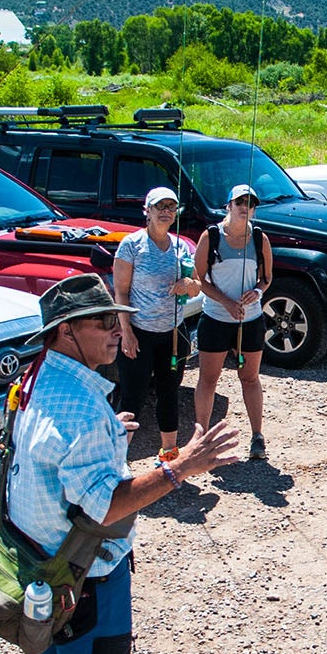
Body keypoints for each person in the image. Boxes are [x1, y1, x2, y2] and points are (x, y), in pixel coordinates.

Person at [0, 275, 238, 654]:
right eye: (102, 322)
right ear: (66, 332)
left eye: (114, 319)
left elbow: (58, 463)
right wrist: (183, 468)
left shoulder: (35, 380)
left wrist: (111, 438)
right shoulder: (82, 407)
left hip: (36, 564)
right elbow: (102, 504)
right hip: (86, 576)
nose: (115, 329)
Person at [112, 186, 202, 461]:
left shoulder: (180, 246)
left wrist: (189, 284)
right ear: (147, 212)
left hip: (173, 334)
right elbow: (121, 293)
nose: (165, 212)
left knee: (169, 393)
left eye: (171, 207)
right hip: (139, 333)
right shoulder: (131, 245)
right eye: (160, 207)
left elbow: (198, 286)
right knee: (132, 397)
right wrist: (126, 332)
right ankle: (116, 459)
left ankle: (169, 455)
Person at [192, 183, 273, 462]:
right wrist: (225, 301)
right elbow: (199, 278)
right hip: (215, 317)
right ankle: (200, 439)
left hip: (250, 320)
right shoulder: (211, 236)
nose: (244, 208)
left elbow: (266, 278)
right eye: (239, 202)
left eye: (250, 203)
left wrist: (258, 292)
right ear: (228, 205)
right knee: (208, 378)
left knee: (249, 377)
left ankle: (257, 437)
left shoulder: (260, 238)